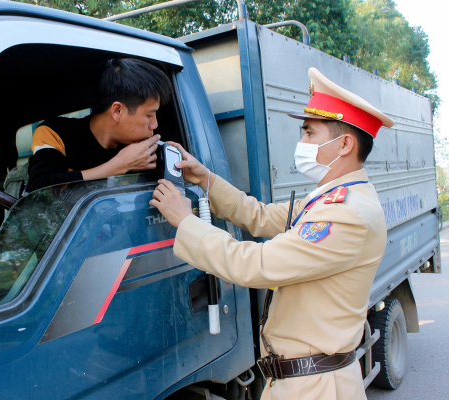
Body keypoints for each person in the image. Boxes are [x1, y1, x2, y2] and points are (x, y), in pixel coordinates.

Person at [149, 68, 394, 399]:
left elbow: (257, 266)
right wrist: (205, 178)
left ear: (345, 144)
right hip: (302, 379)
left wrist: (185, 220)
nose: (301, 143)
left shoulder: (346, 214)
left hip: (315, 386)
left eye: (309, 134)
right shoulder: (329, 199)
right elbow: (260, 215)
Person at [26, 58, 172, 192]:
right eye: (149, 115)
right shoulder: (55, 132)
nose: (154, 124)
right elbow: (39, 189)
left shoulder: (148, 153)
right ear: (117, 111)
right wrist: (119, 165)